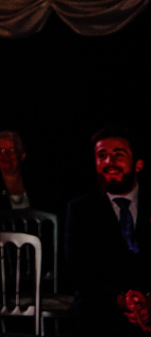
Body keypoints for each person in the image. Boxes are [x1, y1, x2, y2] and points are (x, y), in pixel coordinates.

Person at [65, 127, 151, 335]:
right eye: (101, 156)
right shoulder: (81, 209)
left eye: (118, 155)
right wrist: (121, 301)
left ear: (138, 164)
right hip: (103, 309)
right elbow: (77, 272)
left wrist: (148, 302)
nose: (108, 162)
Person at [0, 129, 32, 211]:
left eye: (12, 150)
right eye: (0, 150)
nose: (5, 155)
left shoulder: (35, 183)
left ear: (22, 155)